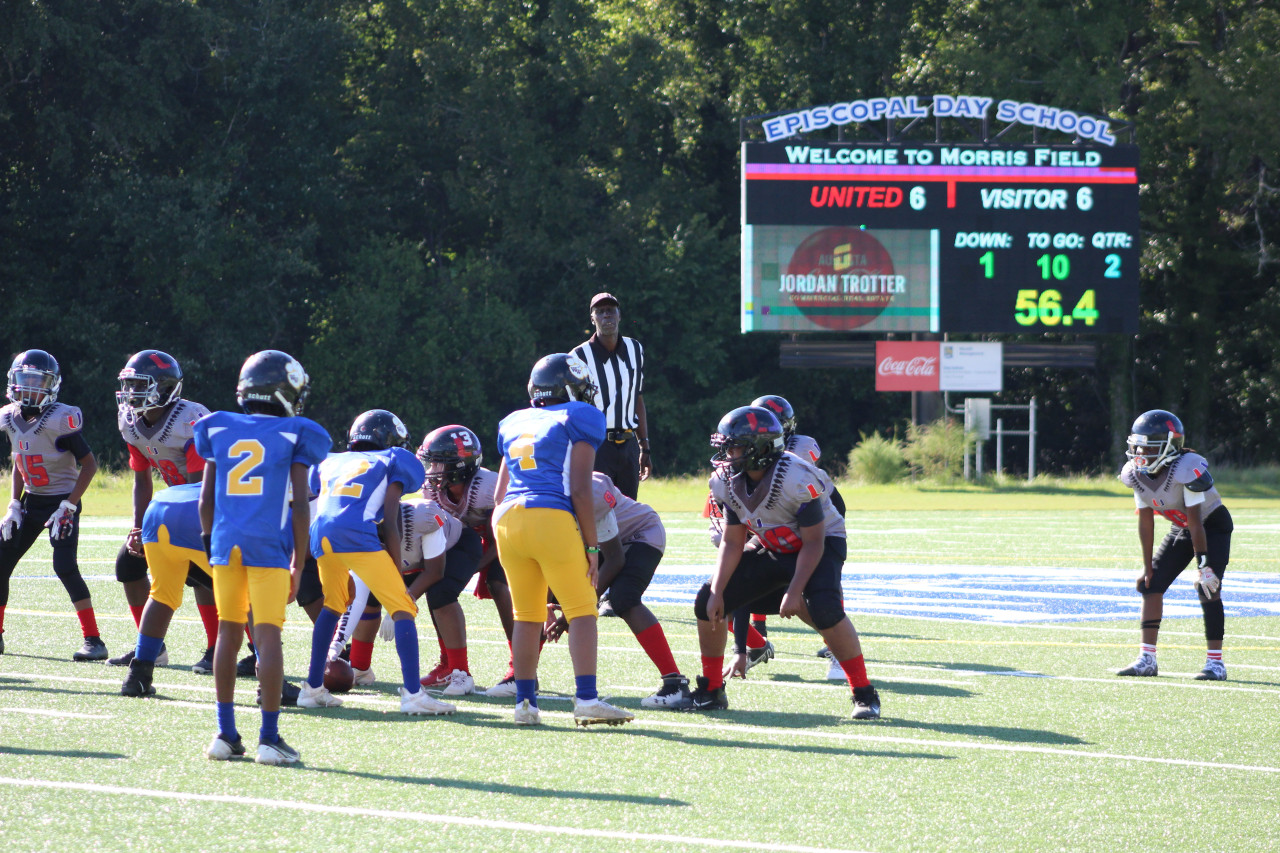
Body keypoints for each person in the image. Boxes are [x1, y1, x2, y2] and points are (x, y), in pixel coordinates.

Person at [691, 405, 881, 720]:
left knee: (825, 609)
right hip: (772, 544)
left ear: (759, 449)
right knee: (706, 601)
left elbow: (814, 541)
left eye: (734, 446)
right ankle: (711, 690)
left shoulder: (795, 476)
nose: (727, 452)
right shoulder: (726, 480)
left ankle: (864, 693)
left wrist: (794, 591)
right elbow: (733, 540)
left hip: (819, 544)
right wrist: (718, 590)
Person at [195, 350, 331, 765]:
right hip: (266, 546)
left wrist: (210, 543)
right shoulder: (296, 432)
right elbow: (302, 504)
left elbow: (205, 502)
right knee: (267, 635)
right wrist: (300, 561)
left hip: (223, 544)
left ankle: (225, 733)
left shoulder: (217, 427)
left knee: (228, 633)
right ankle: (268, 738)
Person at [493, 352, 633, 726]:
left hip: (506, 518)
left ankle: (525, 704)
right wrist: (591, 547)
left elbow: (498, 493)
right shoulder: (582, 416)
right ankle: (586, 699)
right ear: (569, 388)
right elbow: (581, 491)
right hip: (550, 515)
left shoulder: (514, 420)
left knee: (526, 615)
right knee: (583, 610)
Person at [300, 409, 455, 715]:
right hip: (356, 533)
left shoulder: (331, 460)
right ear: (391, 440)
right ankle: (413, 694)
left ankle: (312, 688)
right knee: (403, 607)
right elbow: (390, 521)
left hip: (320, 534)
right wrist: (396, 576)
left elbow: (318, 497)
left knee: (332, 606)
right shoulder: (393, 459)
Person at [109, 349, 220, 673]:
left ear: (165, 387)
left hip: (210, 505)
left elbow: (201, 486)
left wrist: (199, 531)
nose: (131, 394)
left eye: (139, 385)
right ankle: (152, 648)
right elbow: (142, 479)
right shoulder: (131, 422)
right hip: (175, 506)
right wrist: (138, 529)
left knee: (203, 576)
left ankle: (218, 647)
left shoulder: (191, 421)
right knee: (128, 565)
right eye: (128, 385)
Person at [546, 472, 692, 709]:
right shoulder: (540, 494)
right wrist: (547, 610)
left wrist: (574, 610)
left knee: (623, 598)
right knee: (547, 597)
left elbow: (615, 558)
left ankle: (674, 683)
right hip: (602, 545)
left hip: (639, 533)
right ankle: (520, 676)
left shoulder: (590, 492)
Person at [0, 349, 106, 661]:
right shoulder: (9, 416)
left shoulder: (61, 418)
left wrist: (69, 506)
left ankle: (94, 640)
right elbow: (20, 460)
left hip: (62, 503)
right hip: (30, 501)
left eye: (38, 380)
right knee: (2, 561)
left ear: (52, 384)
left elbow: (89, 465)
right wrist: (13, 505)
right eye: (25, 379)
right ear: (14, 381)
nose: (31, 387)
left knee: (64, 566)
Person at [1117, 409, 1232, 681]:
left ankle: (1216, 663)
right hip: (1181, 527)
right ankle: (1147, 659)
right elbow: (1146, 523)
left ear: (1169, 446)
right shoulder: (1136, 474)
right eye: (1138, 444)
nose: (1140, 451)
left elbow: (1196, 522)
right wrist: (1148, 567)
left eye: (1148, 445)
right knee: (1150, 584)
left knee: (1207, 586)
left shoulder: (1185, 468)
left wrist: (1203, 565)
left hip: (1211, 526)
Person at [417, 424, 517, 694]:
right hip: (469, 539)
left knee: (500, 584)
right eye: (432, 462)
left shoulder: (487, 487)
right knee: (437, 585)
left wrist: (476, 565)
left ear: (461, 465)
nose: (433, 470)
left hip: (510, 537)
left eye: (440, 463)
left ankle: (519, 665)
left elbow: (504, 536)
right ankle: (449, 665)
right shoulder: (433, 489)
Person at [571, 292, 651, 499]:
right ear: (592, 318)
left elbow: (637, 398)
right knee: (600, 509)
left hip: (628, 444)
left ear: (619, 315)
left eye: (611, 310)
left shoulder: (635, 349)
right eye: (600, 311)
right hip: (597, 446)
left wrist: (645, 447)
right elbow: (572, 411)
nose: (607, 315)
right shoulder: (578, 357)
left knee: (628, 510)